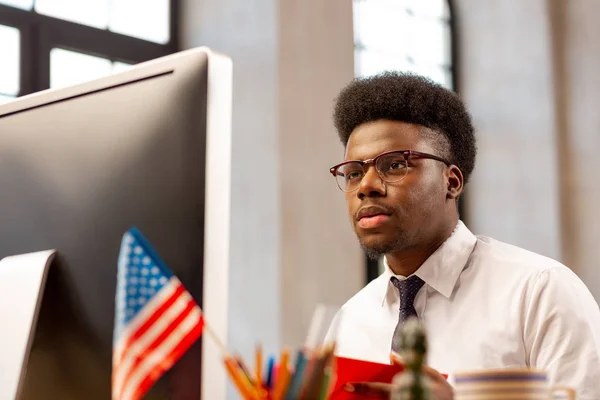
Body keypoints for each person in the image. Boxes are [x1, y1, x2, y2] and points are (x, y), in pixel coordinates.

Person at [328, 72, 600, 399]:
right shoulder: (348, 323)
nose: (366, 186)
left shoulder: (538, 291)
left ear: (452, 182)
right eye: (354, 172)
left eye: (395, 165)